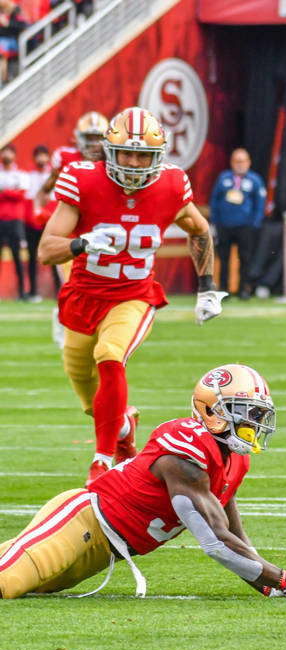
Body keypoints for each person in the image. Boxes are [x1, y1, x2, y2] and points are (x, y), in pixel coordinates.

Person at [0, 364, 286, 602]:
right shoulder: (186, 445)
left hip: (106, 552)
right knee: (8, 581)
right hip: (83, 521)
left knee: (21, 583)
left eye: (257, 413)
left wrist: (272, 587)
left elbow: (235, 536)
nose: (254, 421)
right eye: (246, 411)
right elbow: (216, 543)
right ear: (213, 410)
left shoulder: (235, 459)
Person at [39, 106, 227, 484]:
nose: (135, 162)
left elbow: (199, 229)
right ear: (110, 151)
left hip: (134, 295)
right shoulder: (82, 179)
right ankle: (123, 427)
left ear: (158, 157)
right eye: (127, 152)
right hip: (83, 296)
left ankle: (103, 460)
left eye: (143, 155)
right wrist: (81, 244)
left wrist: (206, 288)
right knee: (86, 388)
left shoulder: (171, 184)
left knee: (110, 355)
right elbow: (46, 250)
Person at [209, 148, 266, 300]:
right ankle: (224, 289)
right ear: (232, 162)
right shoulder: (224, 178)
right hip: (225, 225)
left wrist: (255, 223)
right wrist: (215, 222)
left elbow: (260, 204)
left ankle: (244, 289)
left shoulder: (254, 180)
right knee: (224, 258)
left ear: (248, 162)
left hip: (245, 226)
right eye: (237, 161)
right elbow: (214, 200)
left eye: (243, 161)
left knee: (245, 258)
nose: (240, 165)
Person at [39, 112, 109, 203]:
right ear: (79, 136)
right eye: (89, 138)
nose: (93, 143)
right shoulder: (64, 156)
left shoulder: (111, 160)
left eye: (98, 138)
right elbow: (45, 190)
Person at [23, 145, 51, 302]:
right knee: (32, 257)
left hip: (50, 221)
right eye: (39, 155)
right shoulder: (29, 175)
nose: (42, 159)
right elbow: (28, 198)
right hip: (33, 223)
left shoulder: (53, 175)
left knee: (54, 257)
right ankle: (33, 291)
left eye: (44, 155)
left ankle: (59, 289)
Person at [0, 143, 27, 301]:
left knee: (18, 257)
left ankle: (22, 292)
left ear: (14, 155)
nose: (7, 156)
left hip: (15, 221)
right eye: (4, 153)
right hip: (0, 220)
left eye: (9, 152)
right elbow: (15, 194)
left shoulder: (20, 175)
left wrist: (4, 192)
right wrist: (12, 191)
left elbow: (21, 195)